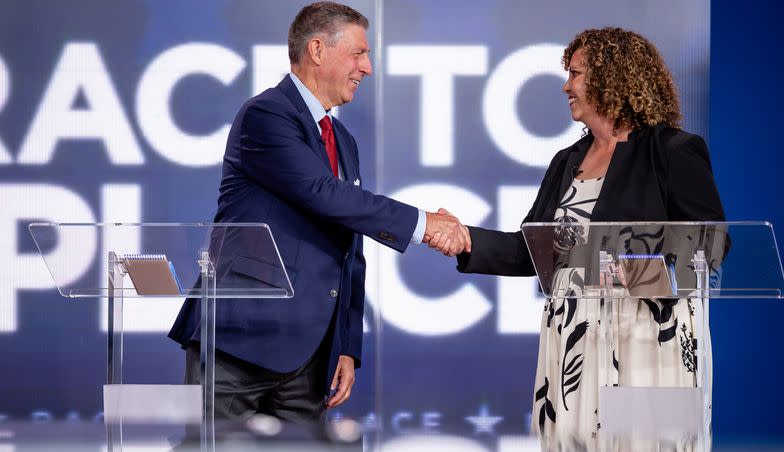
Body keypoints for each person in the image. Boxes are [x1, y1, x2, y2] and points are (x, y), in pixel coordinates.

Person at [168, 1, 469, 431]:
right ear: (317, 49)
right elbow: (322, 193)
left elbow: (350, 249)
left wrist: (346, 344)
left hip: (309, 358)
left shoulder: (341, 138)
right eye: (359, 53)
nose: (367, 67)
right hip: (237, 343)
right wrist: (424, 224)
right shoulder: (266, 115)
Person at [445, 27, 725, 446]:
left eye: (575, 74)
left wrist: (626, 277)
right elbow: (534, 250)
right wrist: (466, 238)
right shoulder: (567, 161)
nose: (566, 86)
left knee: (644, 444)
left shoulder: (672, 150)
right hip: (574, 338)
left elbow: (709, 245)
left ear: (611, 78)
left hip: (648, 340)